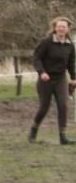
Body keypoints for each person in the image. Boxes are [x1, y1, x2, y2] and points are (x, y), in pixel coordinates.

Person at [28, 16, 76, 145]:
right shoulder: (46, 42)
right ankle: (33, 130)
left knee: (63, 105)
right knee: (44, 107)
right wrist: (41, 72)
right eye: (59, 26)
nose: (61, 28)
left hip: (60, 79)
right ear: (55, 28)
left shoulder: (70, 45)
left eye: (64, 27)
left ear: (67, 29)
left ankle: (63, 137)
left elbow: (71, 63)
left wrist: (73, 78)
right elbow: (36, 58)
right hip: (46, 79)